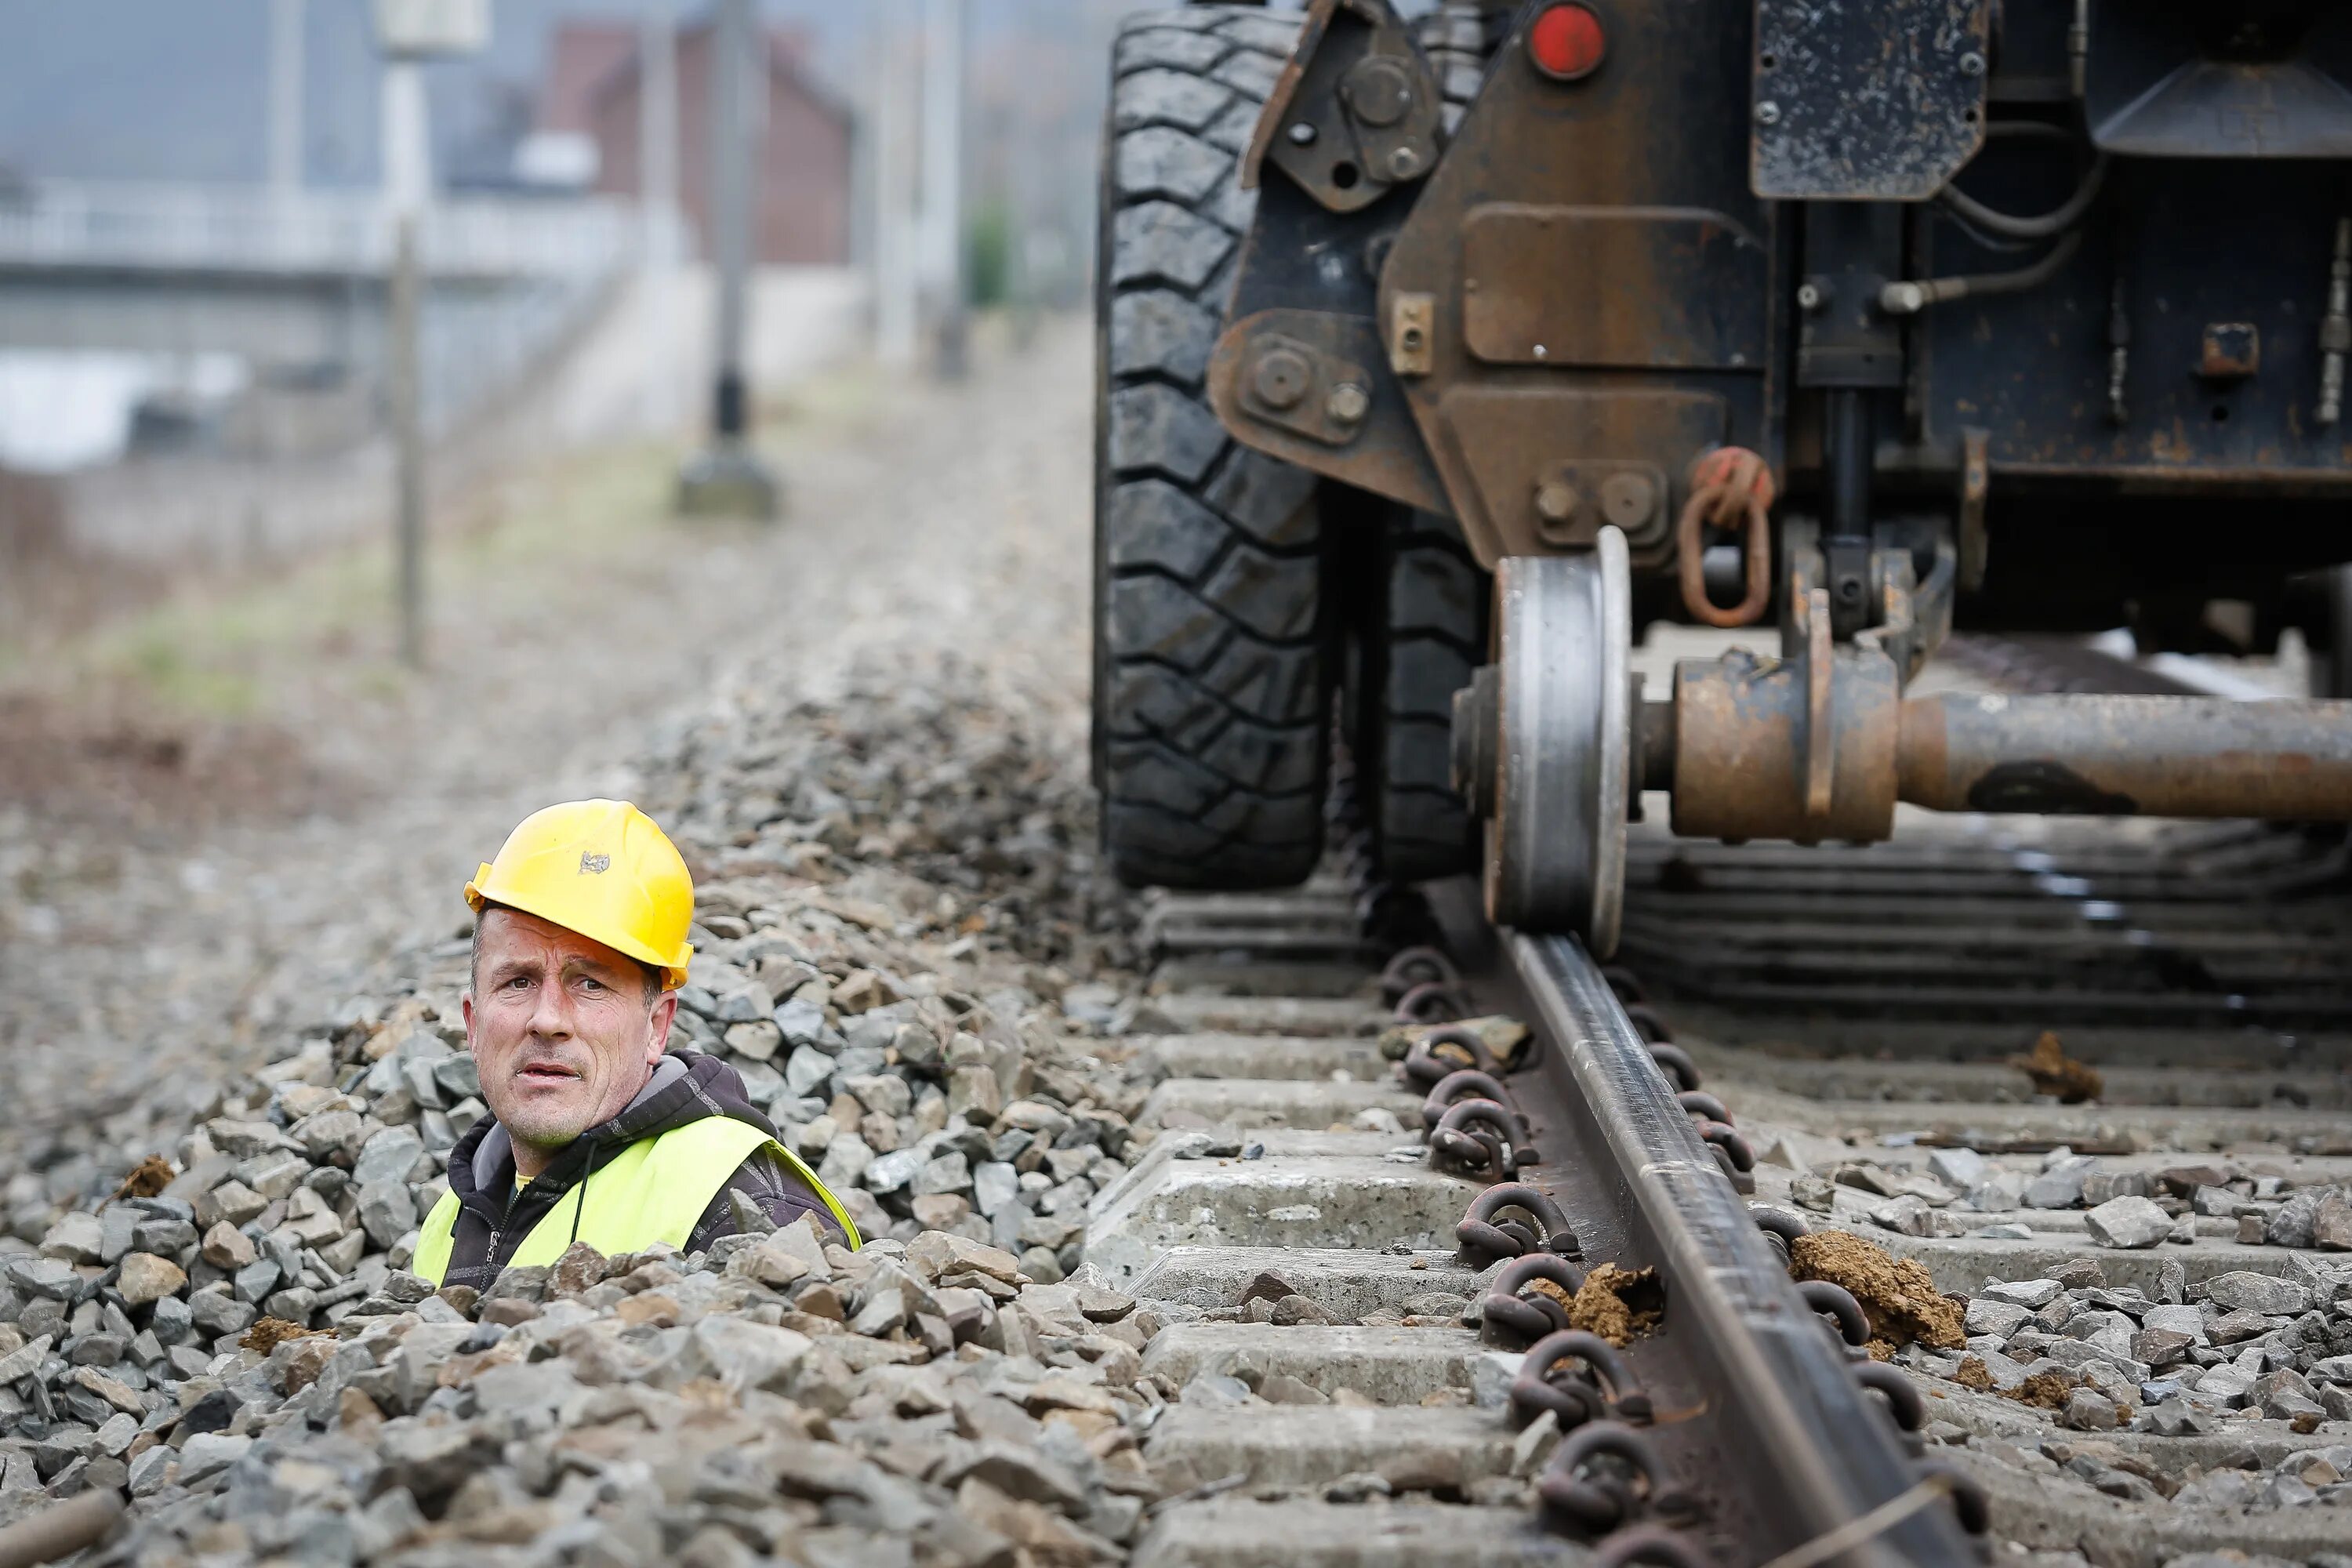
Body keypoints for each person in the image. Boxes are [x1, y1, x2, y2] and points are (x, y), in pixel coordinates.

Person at [412, 800, 858, 1292]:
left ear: (656, 1027)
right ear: (472, 1025)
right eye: (518, 981)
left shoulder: (743, 1202)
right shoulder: (450, 1217)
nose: (548, 1019)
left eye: (591, 985)